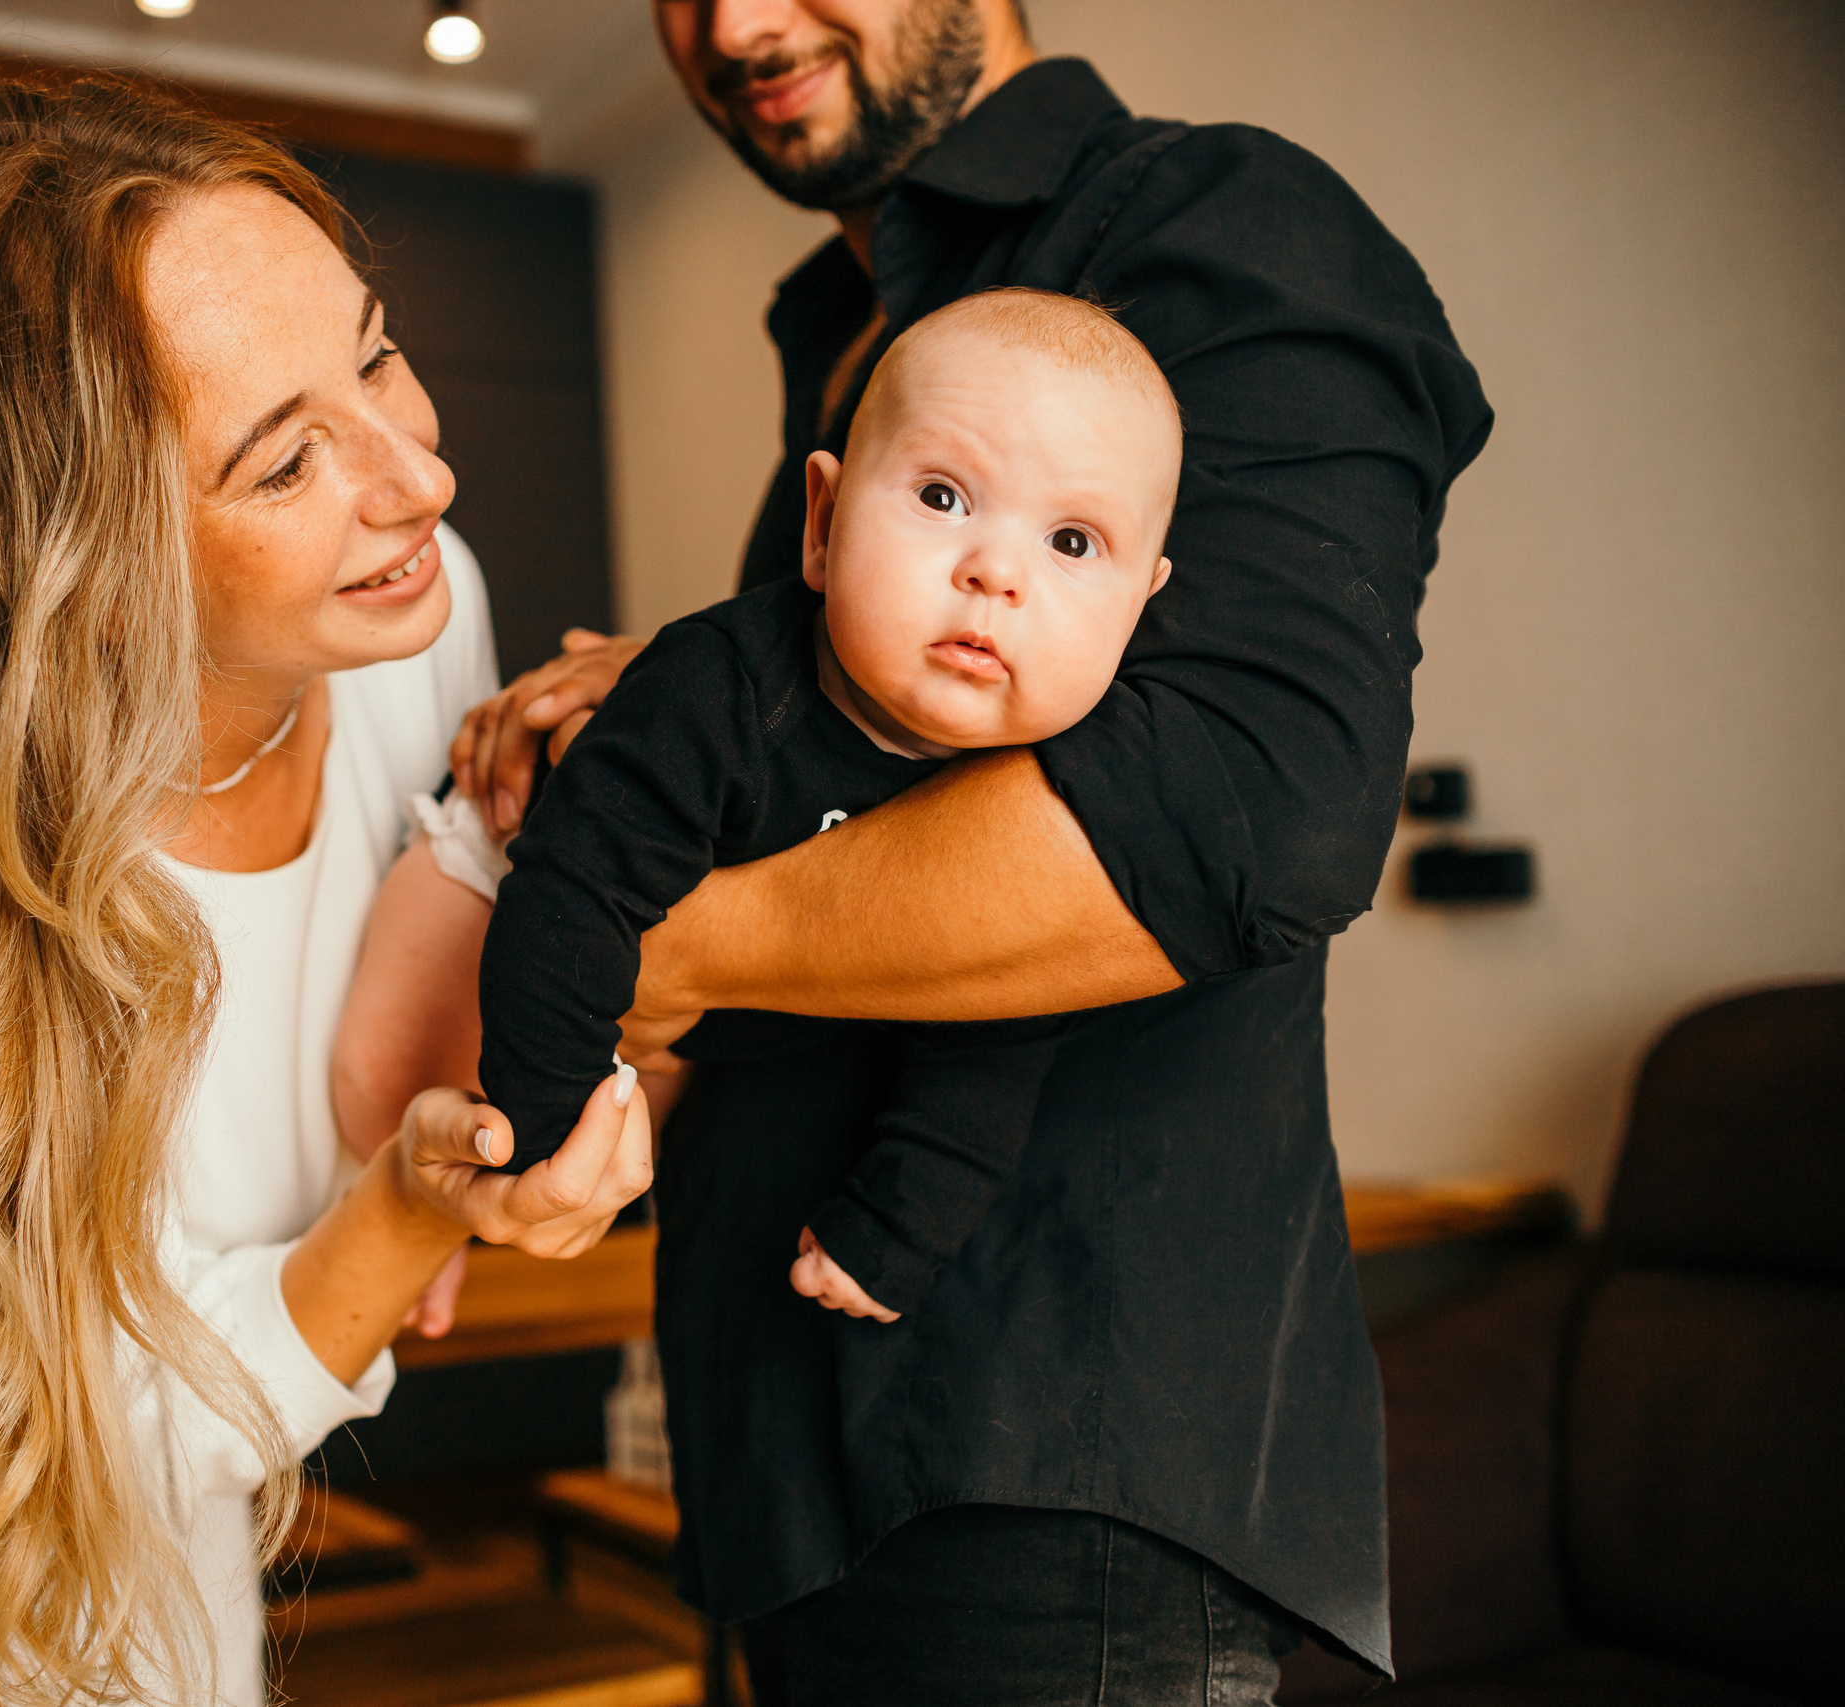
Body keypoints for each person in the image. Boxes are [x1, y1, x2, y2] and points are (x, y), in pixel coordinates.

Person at [449, 3, 1493, 1702]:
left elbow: (1249, 803)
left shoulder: (1220, 230)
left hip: (1035, 1469)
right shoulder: (845, 323)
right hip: (796, 1455)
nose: (734, 22)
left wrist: (653, 943)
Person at [0, 75, 650, 1707]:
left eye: (376, 351)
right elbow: (84, 1425)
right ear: (62, 562)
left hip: (211, 1432)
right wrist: (405, 1205)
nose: (415, 480)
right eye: (284, 461)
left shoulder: (411, 606)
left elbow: (419, 957)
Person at [454, 290, 1179, 1330]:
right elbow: (572, 897)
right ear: (825, 521)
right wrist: (542, 1127)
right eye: (941, 498)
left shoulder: (1043, 795)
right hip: (516, 909)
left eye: (1071, 543)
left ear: (1136, 610)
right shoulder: (717, 688)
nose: (995, 572)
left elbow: (992, 1033)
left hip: (705, 1042)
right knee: (386, 1079)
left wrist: (901, 1224)